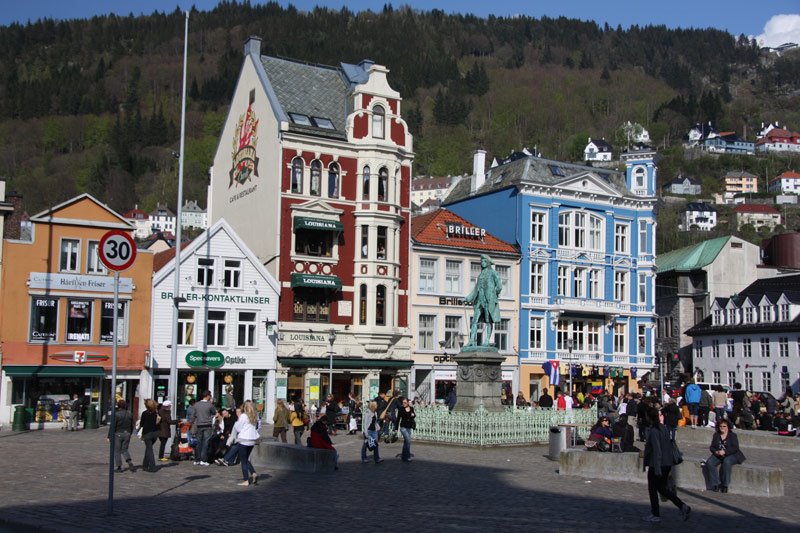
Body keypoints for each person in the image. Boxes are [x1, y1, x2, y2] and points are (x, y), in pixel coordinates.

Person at [642, 407, 691, 523]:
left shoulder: (654, 431)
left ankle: (655, 514)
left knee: (653, 489)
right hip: (667, 463)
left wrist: (657, 468)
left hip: (657, 464)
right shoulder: (664, 428)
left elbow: (657, 450)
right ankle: (682, 506)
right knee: (662, 489)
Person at [464, 254, 502, 346]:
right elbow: (476, 288)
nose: (482, 263)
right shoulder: (481, 275)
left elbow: (499, 286)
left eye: (484, 261)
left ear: (488, 263)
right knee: (474, 321)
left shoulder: (493, 273)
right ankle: (472, 340)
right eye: (482, 261)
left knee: (489, 321)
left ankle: (487, 340)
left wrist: (493, 295)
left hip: (488, 301)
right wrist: (468, 298)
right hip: (479, 301)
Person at [704, 419, 746, 493]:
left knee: (727, 462)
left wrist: (725, 452)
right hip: (719, 454)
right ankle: (716, 484)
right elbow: (712, 447)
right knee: (710, 462)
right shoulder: (716, 435)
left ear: (728, 427)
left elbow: (735, 448)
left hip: (732, 454)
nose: (722, 427)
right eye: (720, 426)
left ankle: (725, 485)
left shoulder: (732, 435)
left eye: (724, 426)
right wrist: (716, 452)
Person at [233, 400, 260, 486]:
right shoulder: (255, 415)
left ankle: (246, 480)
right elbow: (258, 427)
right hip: (252, 439)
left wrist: (238, 419)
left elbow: (238, 428)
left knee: (243, 460)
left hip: (244, 439)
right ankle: (253, 473)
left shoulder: (244, 416)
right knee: (246, 459)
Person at [108, 400, 135, 472]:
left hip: (118, 433)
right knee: (125, 449)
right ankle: (129, 462)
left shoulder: (116, 414)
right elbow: (132, 425)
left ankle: (119, 466)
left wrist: (109, 436)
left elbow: (113, 426)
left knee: (117, 451)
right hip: (127, 433)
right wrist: (130, 433)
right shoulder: (129, 414)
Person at [190, 390, 216, 465]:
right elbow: (214, 412)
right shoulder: (209, 405)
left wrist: (191, 423)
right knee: (205, 443)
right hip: (207, 425)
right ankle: (203, 460)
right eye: (210, 396)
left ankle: (197, 459)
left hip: (198, 425)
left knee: (198, 442)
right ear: (208, 396)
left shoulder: (196, 404)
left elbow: (192, 416)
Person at [139, 399, 160, 473]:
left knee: (149, 450)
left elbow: (141, 424)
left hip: (147, 433)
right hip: (155, 433)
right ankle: (145, 465)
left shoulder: (145, 413)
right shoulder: (156, 413)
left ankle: (152, 466)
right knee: (148, 448)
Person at [398, 397, 416, 462]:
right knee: (408, 441)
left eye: (405, 403)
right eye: (403, 403)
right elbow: (398, 419)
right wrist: (395, 429)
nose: (404, 404)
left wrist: (413, 415)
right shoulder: (401, 409)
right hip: (403, 427)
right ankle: (408, 456)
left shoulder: (411, 408)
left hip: (409, 427)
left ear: (408, 402)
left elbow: (414, 415)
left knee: (406, 442)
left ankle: (403, 456)